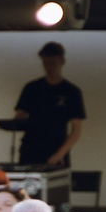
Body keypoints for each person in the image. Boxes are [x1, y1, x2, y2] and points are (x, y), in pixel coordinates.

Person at [13, 42, 85, 170]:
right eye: (46, 63)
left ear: (62, 61)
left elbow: (76, 130)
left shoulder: (71, 91)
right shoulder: (31, 88)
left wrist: (59, 154)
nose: (49, 67)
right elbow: (20, 116)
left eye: (52, 63)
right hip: (30, 148)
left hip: (56, 148)